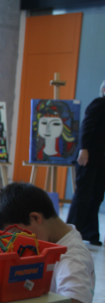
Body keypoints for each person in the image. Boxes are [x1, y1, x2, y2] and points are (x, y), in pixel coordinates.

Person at [66, 80, 105, 246]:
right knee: (83, 195)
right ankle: (70, 233)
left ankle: (90, 233)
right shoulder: (99, 103)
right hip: (87, 157)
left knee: (96, 197)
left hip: (101, 160)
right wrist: (84, 149)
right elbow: (86, 127)